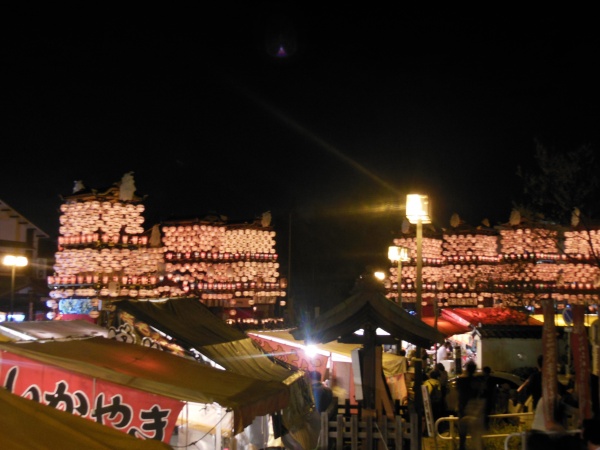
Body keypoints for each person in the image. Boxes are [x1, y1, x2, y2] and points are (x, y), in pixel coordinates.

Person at [456, 360, 485, 450]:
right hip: (474, 409)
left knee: (462, 434)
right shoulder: (476, 381)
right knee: (476, 434)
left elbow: (458, 392)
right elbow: (480, 393)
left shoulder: (461, 380)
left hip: (463, 408)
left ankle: (462, 447)